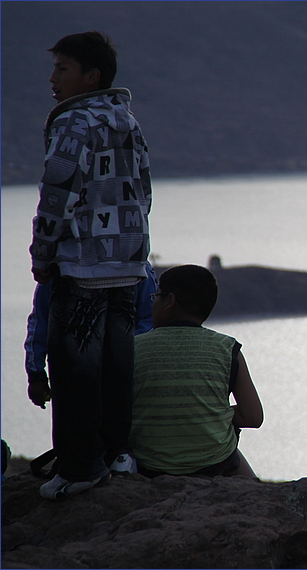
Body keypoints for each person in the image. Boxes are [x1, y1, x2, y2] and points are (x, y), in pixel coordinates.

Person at [31, 31, 153, 500]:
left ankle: (81, 467)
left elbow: (57, 194)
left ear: (91, 76)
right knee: (114, 367)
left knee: (74, 371)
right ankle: (117, 453)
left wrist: (43, 256)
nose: (53, 78)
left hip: (81, 267)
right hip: (126, 265)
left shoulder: (73, 123)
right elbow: (143, 193)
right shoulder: (129, 122)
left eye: (63, 68)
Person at [130, 265, 263, 478]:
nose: (152, 303)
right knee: (251, 482)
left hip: (151, 466)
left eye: (156, 296)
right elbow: (253, 417)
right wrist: (210, 416)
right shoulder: (228, 348)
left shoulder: (132, 348)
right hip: (213, 465)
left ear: (170, 301)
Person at [25, 262, 158, 411]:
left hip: (119, 376)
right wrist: (36, 374)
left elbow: (149, 319)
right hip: (73, 378)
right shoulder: (58, 266)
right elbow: (40, 321)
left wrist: (35, 373)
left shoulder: (138, 266)